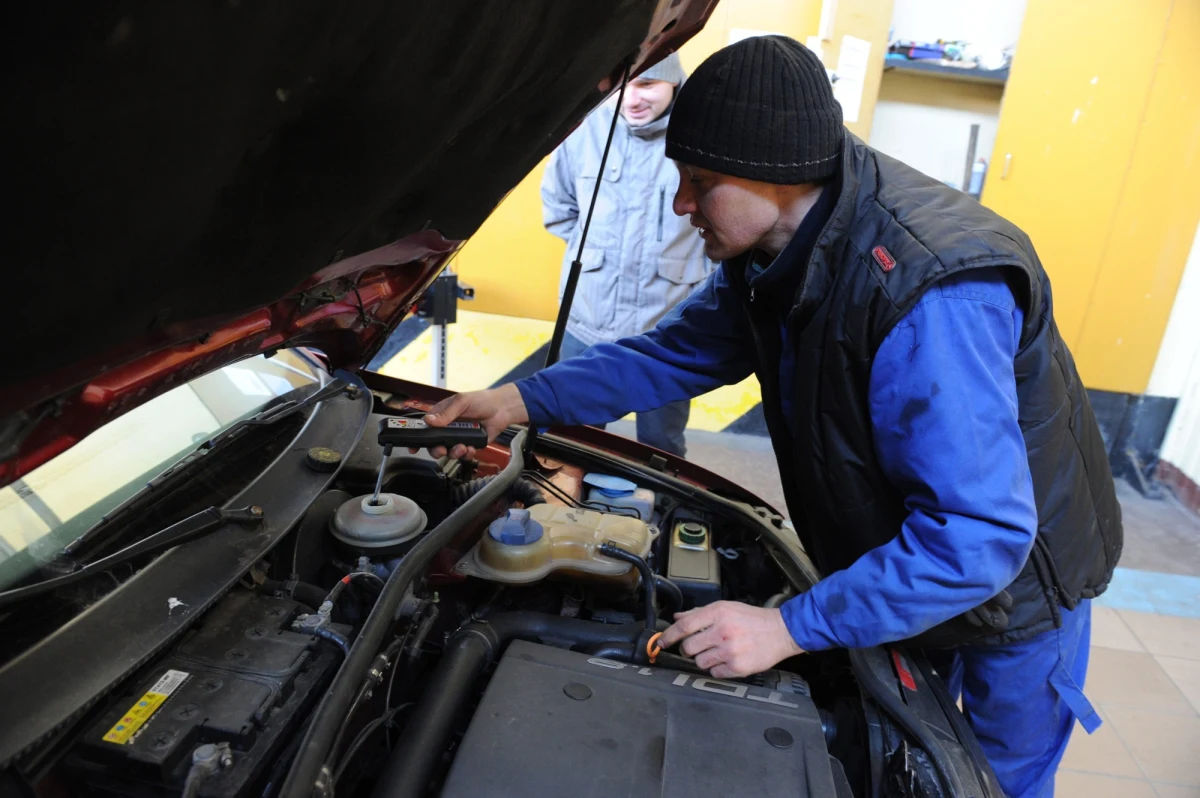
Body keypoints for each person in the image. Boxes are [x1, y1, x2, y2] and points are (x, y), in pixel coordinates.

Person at [420, 36, 1121, 798]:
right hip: (907, 557)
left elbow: (978, 540)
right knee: (897, 759)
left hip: (1011, 599)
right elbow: (673, 355)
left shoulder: (930, 295)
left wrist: (786, 628)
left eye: (701, 181)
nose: (683, 205)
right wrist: (521, 399)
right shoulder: (775, 251)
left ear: (777, 175)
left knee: (990, 782)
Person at [540, 52, 714, 458]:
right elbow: (560, 212)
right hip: (587, 319)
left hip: (667, 325)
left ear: (674, 83)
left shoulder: (705, 136)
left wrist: (694, 275)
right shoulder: (584, 131)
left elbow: (723, 226)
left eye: (648, 85)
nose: (633, 98)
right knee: (572, 441)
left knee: (662, 446)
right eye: (626, 85)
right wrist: (600, 261)